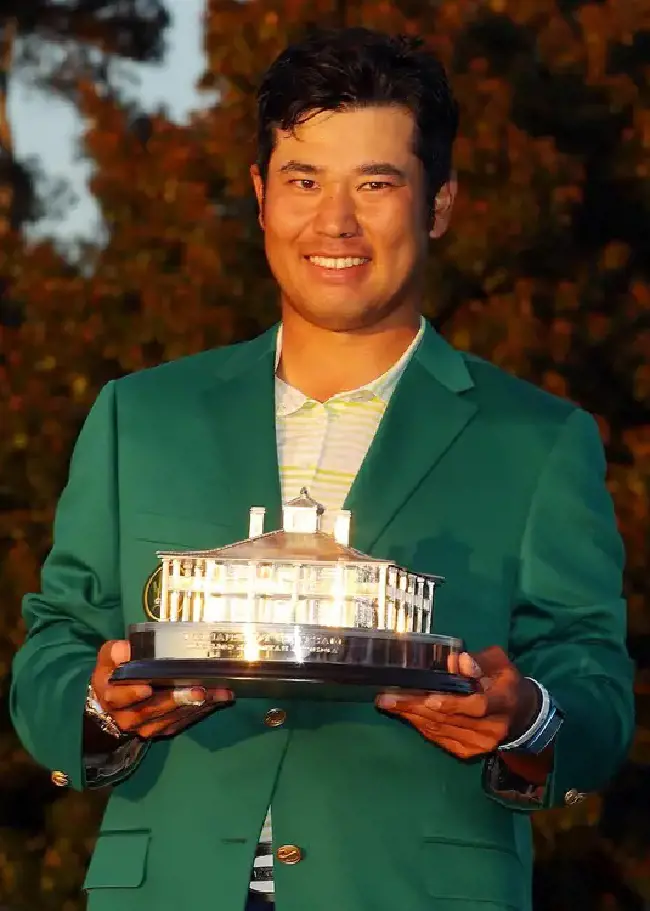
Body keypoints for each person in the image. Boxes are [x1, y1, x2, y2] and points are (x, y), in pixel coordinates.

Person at [11, 26, 634, 911]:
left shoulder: (538, 438)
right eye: (304, 181)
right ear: (262, 196)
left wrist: (526, 717)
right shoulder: (138, 416)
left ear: (440, 203)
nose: (334, 222)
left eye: (375, 184)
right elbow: (52, 646)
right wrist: (101, 705)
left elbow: (597, 690)